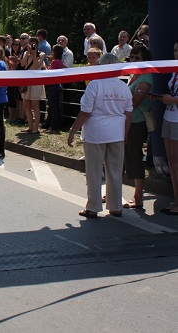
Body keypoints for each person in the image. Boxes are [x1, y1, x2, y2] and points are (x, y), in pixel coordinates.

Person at [67, 53, 133, 218]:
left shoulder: (95, 85)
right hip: (116, 131)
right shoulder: (124, 86)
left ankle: (94, 207)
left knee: (94, 171)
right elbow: (128, 113)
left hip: (96, 132)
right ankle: (116, 206)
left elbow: (85, 112)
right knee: (115, 171)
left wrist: (73, 130)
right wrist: (125, 132)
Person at [124, 45, 153, 209]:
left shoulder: (146, 77)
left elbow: (135, 102)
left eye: (137, 58)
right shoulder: (135, 75)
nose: (133, 60)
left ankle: (138, 197)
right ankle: (114, 192)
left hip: (136, 122)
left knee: (135, 158)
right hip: (128, 121)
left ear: (145, 60)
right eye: (132, 57)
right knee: (123, 157)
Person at [155, 41, 178, 215]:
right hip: (168, 116)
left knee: (176, 161)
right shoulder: (173, 70)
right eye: (175, 50)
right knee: (171, 161)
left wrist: (172, 100)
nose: (176, 53)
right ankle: (176, 199)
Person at [20, 36, 46, 134]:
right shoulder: (26, 53)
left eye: (33, 44)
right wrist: (27, 53)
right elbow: (22, 64)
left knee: (35, 105)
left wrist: (34, 55)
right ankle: (30, 126)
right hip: (27, 80)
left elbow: (36, 66)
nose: (31, 46)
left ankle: (36, 127)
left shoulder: (42, 54)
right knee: (26, 105)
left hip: (36, 81)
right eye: (30, 44)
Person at [43, 44, 64, 133]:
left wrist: (44, 67)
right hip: (56, 85)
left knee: (53, 106)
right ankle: (54, 124)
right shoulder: (60, 61)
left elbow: (50, 73)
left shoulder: (55, 61)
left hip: (53, 86)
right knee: (55, 106)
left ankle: (54, 127)